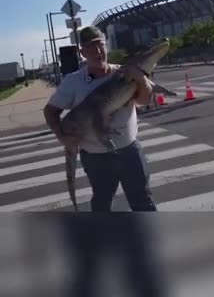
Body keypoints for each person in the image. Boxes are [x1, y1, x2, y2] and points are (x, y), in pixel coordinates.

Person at [43, 25, 157, 212]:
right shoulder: (73, 81)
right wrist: (62, 137)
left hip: (130, 150)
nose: (98, 51)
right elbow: (50, 111)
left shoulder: (123, 72)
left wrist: (142, 80)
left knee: (143, 201)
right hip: (96, 157)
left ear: (106, 46)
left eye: (101, 45)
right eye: (91, 47)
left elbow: (143, 100)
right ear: (82, 52)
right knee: (102, 204)